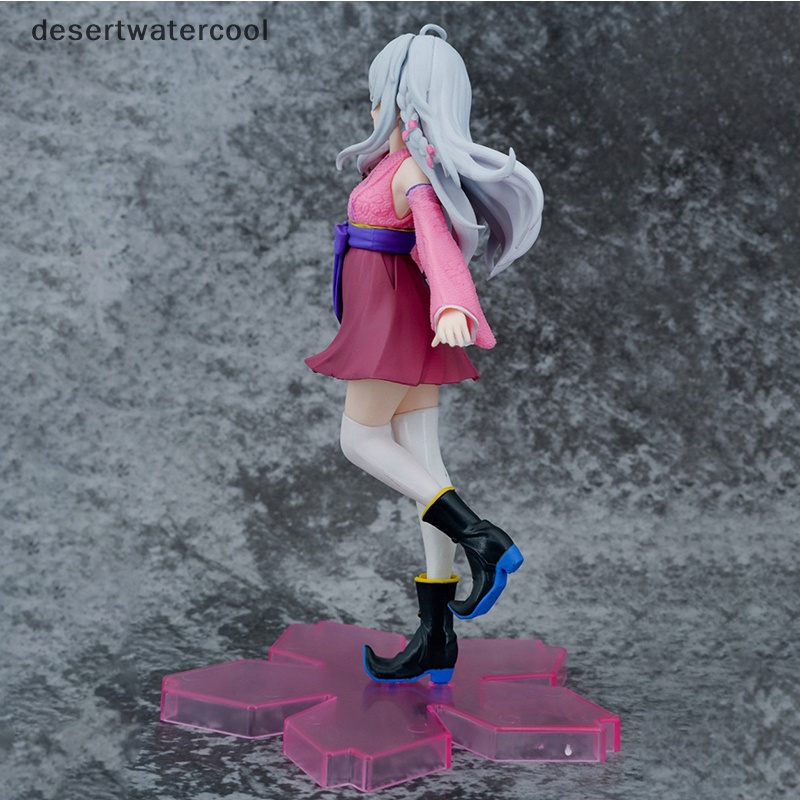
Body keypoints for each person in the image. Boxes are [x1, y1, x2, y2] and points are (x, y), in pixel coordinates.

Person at [305, 24, 543, 684]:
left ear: (404, 99)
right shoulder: (394, 163)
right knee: (425, 465)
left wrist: (453, 305)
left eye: (378, 97)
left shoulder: (411, 171)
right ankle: (437, 635)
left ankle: (481, 538)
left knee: (359, 440)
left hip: (394, 323)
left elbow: (436, 242)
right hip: (395, 315)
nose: (372, 110)